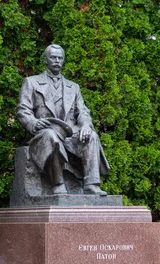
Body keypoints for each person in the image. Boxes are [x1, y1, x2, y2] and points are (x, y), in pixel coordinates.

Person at [16, 44, 109, 195]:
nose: (57, 61)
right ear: (46, 60)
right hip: (44, 131)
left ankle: (91, 184)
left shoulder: (74, 87)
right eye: (53, 57)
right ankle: (57, 184)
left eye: (60, 58)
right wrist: (34, 123)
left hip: (69, 134)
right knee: (51, 137)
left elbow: (83, 111)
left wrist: (86, 124)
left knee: (92, 136)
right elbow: (22, 110)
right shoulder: (31, 82)